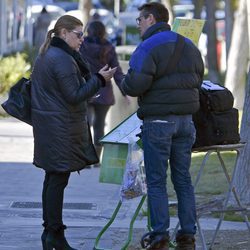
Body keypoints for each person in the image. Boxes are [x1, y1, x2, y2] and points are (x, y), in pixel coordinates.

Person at [121, 2, 204, 250]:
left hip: (158, 121)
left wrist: (122, 82)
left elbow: (135, 85)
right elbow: (198, 78)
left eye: (139, 20)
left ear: (151, 19)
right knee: (183, 179)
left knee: (157, 181)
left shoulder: (148, 46)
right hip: (186, 121)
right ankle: (187, 235)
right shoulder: (188, 45)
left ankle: (159, 236)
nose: (138, 24)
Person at [31, 15, 116, 250]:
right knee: (57, 180)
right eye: (78, 34)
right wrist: (100, 79)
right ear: (63, 33)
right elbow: (74, 95)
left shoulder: (52, 54)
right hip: (59, 128)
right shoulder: (61, 59)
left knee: (53, 180)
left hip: (53, 127)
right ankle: (54, 235)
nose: (82, 40)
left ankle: (52, 234)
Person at [80, 20, 129, 167]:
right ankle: (96, 159)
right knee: (99, 125)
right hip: (104, 92)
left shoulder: (82, 46)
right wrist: (125, 91)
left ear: (88, 31)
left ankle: (86, 160)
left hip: (86, 90)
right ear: (103, 32)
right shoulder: (109, 47)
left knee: (85, 124)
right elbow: (117, 71)